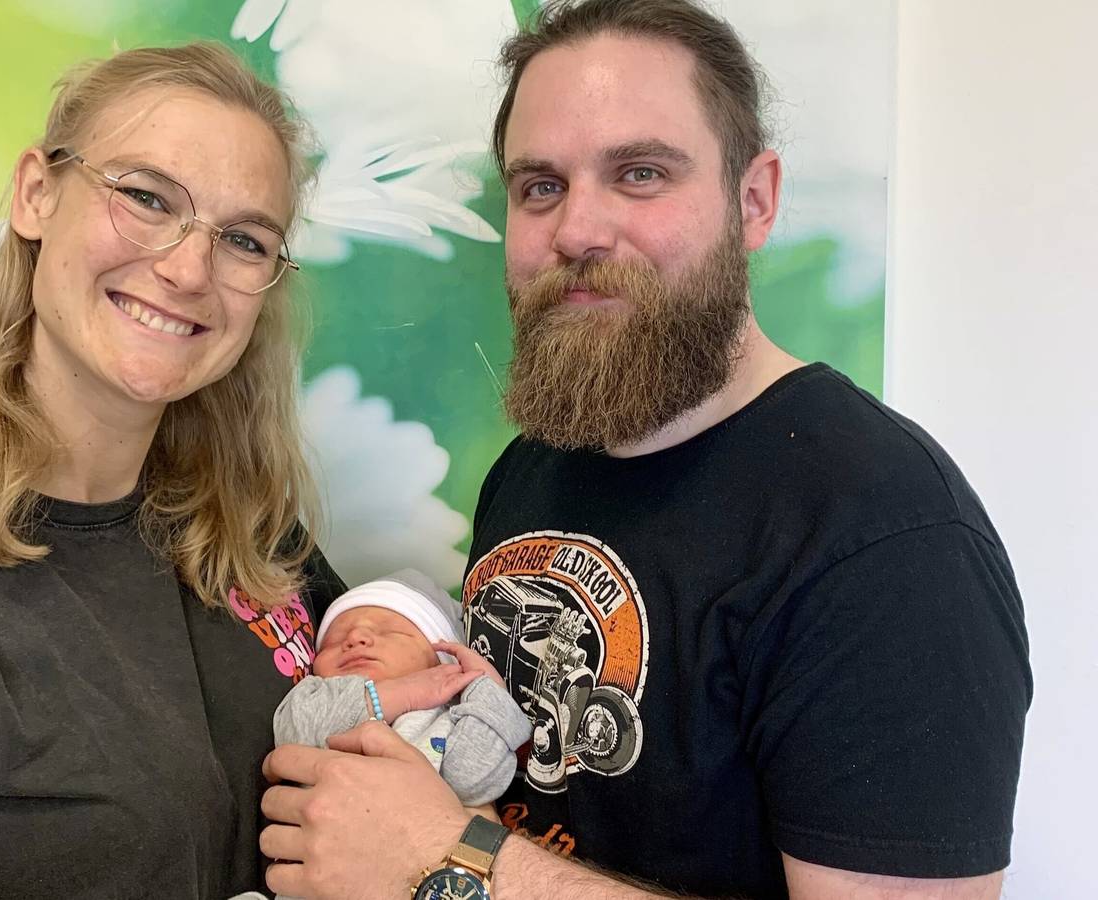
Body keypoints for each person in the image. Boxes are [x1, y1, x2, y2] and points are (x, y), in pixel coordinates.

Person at [258, 2, 1032, 900]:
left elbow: (459, 852)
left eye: (640, 174)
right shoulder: (537, 464)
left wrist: (447, 861)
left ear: (754, 201)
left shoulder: (888, 540)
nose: (577, 230)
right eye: (540, 186)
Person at [0, 43, 346, 899]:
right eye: (146, 197)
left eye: (243, 240)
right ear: (37, 194)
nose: (187, 270)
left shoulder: (250, 532)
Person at [270, 569, 529, 806]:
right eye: (333, 640)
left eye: (389, 631)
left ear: (443, 661)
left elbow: (473, 782)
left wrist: (489, 691)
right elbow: (292, 733)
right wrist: (396, 694)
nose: (355, 638)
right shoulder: (318, 694)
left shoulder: (450, 720)